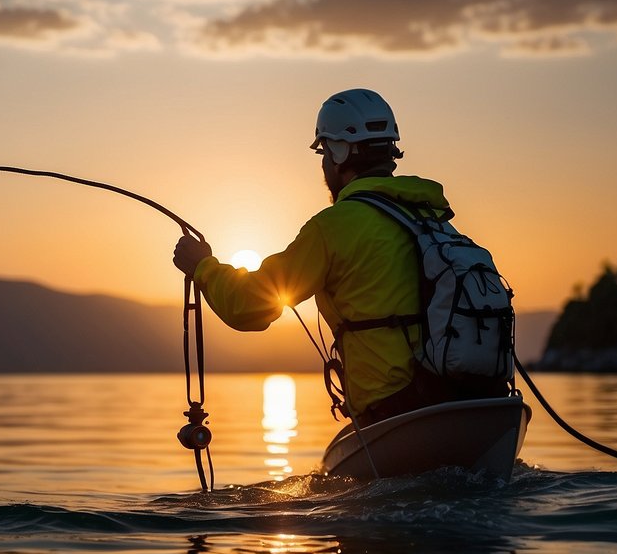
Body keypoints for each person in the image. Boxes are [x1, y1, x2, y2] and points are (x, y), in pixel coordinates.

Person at [172, 88, 507, 426]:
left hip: (395, 410)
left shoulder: (333, 228)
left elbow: (247, 306)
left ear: (338, 151)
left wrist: (203, 266)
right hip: (477, 400)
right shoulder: (433, 218)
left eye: (323, 151)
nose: (323, 163)